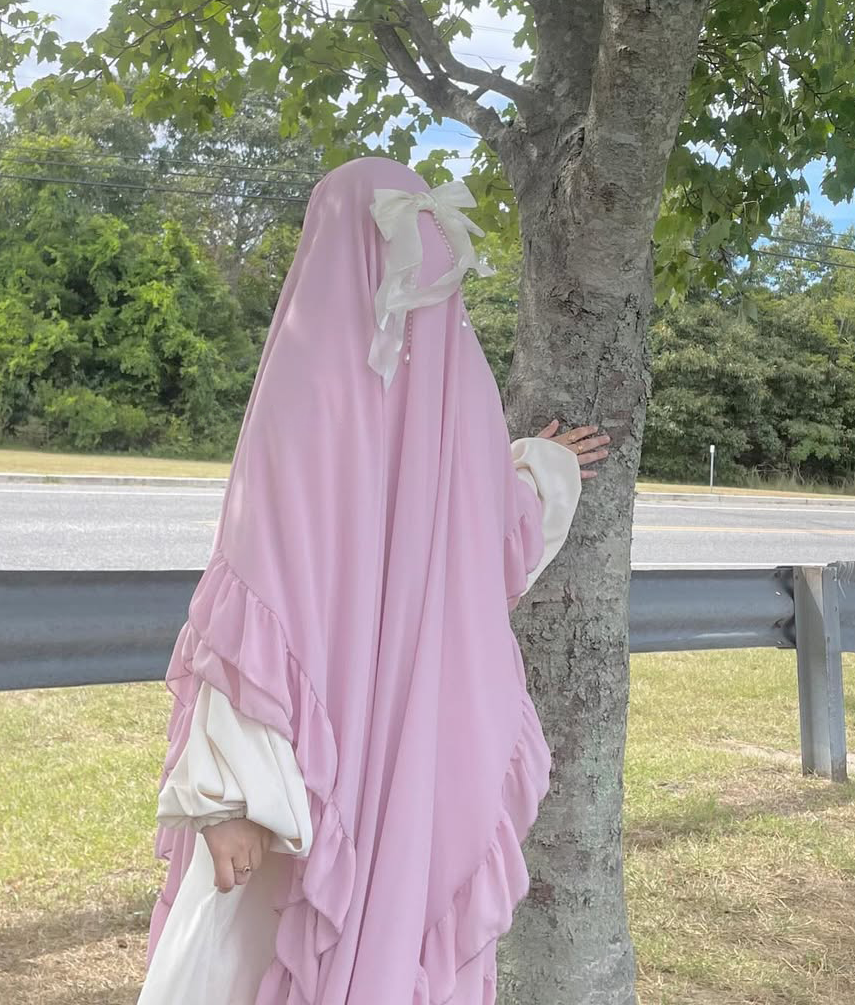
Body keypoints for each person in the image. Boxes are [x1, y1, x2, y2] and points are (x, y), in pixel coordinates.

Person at [139, 157, 610, 1004]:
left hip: (356, 745)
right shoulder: (391, 384)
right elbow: (269, 591)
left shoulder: (362, 386)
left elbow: (261, 595)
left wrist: (230, 795)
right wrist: (233, 799)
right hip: (336, 763)